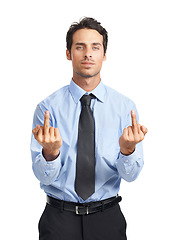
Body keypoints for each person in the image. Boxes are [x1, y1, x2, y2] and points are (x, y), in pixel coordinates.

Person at [31, 17, 148, 240]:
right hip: (58, 220)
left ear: (104, 55)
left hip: (107, 218)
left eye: (95, 47)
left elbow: (131, 176)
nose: (88, 54)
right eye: (80, 47)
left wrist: (127, 151)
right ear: (68, 53)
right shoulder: (47, 109)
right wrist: (50, 153)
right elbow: (42, 177)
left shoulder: (125, 108)